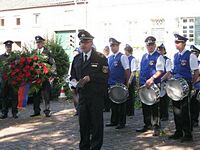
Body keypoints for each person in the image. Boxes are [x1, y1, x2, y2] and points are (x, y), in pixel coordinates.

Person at [70, 30, 108, 150]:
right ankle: (84, 147)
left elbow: (105, 76)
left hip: (96, 97)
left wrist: (91, 78)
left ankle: (95, 147)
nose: (83, 45)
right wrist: (74, 84)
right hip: (82, 97)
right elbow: (72, 76)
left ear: (91, 43)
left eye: (86, 42)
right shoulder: (76, 59)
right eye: (81, 42)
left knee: (96, 125)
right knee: (83, 125)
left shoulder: (100, 58)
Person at [168, 34, 199, 142]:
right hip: (175, 85)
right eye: (175, 42)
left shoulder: (191, 56)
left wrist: (191, 84)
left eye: (178, 42)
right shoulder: (175, 55)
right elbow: (173, 71)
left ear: (184, 43)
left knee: (185, 110)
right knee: (176, 109)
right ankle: (178, 131)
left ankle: (188, 134)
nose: (176, 44)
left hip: (186, 85)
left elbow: (196, 72)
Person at [136, 36, 165, 136]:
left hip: (154, 84)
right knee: (145, 104)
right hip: (143, 84)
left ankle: (156, 126)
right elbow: (142, 70)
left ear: (155, 45)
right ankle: (147, 124)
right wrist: (138, 83)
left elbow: (160, 70)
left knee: (154, 106)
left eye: (152, 44)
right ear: (146, 46)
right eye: (148, 45)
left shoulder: (159, 56)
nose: (150, 46)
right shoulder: (144, 56)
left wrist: (152, 79)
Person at [105, 38, 130, 129]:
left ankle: (121, 122)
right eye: (111, 46)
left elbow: (127, 70)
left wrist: (127, 83)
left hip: (120, 84)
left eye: (114, 45)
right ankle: (114, 121)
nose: (112, 47)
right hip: (111, 84)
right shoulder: (110, 58)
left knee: (121, 104)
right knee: (113, 104)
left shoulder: (122, 57)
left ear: (118, 46)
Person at [30, 35, 56, 117]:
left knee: (46, 94)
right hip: (35, 77)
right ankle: (36, 111)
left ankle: (47, 110)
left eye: (39, 42)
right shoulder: (33, 52)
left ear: (43, 43)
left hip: (45, 76)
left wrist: (52, 73)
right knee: (35, 94)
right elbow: (30, 64)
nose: (38, 44)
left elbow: (52, 63)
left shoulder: (47, 52)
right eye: (37, 42)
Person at [0, 40, 18, 119]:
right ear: (5, 47)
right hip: (4, 80)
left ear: (11, 47)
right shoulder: (1, 57)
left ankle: (14, 113)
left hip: (13, 80)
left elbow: (19, 67)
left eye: (10, 47)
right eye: (7, 47)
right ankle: (4, 113)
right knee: (4, 97)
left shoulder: (16, 56)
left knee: (14, 97)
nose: (9, 48)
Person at [157, 43, 172, 121]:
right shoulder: (156, 59)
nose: (160, 51)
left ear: (164, 51)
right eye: (158, 49)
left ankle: (165, 115)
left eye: (161, 50)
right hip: (156, 82)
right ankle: (159, 115)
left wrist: (161, 79)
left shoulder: (167, 60)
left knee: (164, 100)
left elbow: (168, 71)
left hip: (164, 82)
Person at [124, 44, 137, 116]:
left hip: (130, 80)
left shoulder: (132, 59)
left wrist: (129, 81)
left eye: (125, 50)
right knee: (126, 95)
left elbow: (133, 71)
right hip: (126, 79)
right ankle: (127, 110)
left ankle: (131, 111)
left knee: (131, 96)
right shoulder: (125, 58)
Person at [190, 45, 200, 127]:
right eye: (192, 52)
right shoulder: (188, 63)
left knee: (195, 104)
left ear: (198, 54)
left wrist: (193, 84)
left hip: (197, 86)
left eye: (195, 52)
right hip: (188, 86)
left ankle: (195, 120)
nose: (193, 54)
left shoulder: (199, 64)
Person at [103, 46, 111, 112]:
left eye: (106, 50)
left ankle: (107, 107)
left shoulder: (109, 58)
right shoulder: (103, 58)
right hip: (105, 79)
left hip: (109, 78)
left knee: (108, 94)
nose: (105, 52)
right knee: (105, 93)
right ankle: (106, 106)